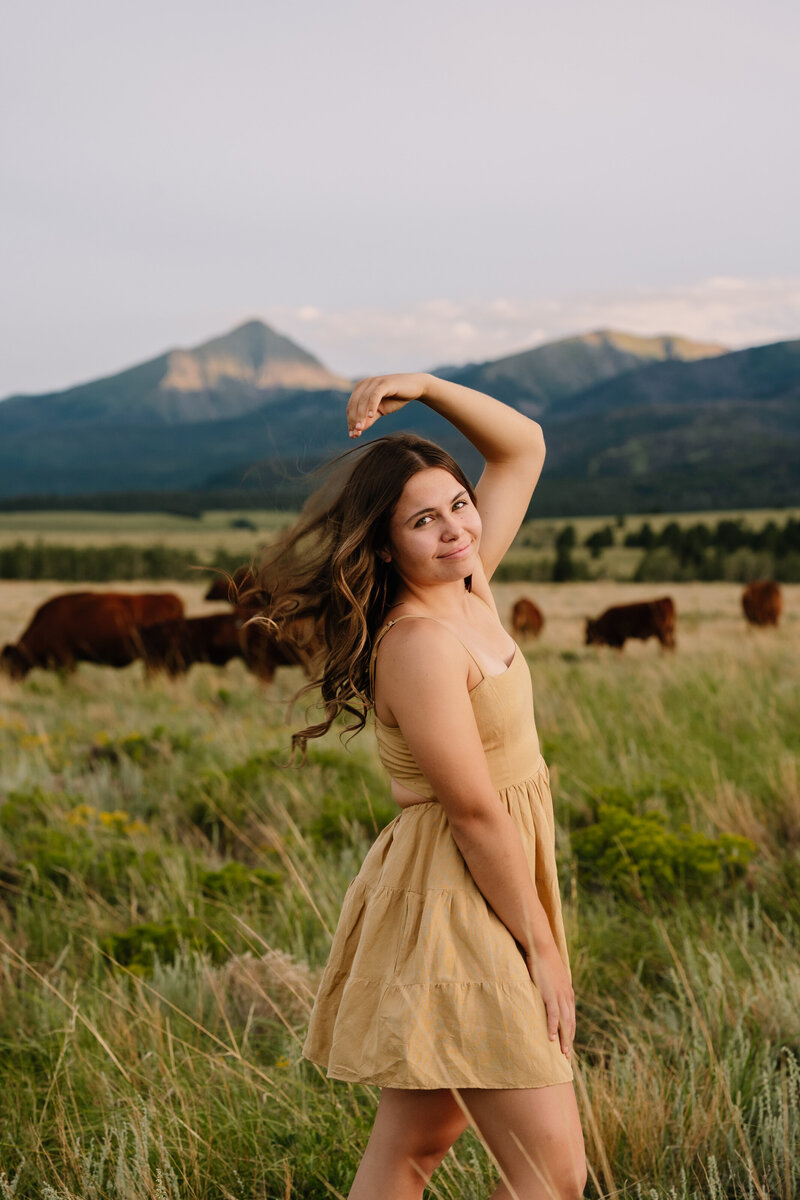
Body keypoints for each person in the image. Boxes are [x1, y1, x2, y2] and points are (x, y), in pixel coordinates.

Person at [261, 373, 587, 1200]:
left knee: (415, 1149)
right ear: (382, 544)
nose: (454, 529)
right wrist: (542, 949)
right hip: (457, 893)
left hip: (489, 878)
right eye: (423, 519)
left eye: (458, 504)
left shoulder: (470, 581)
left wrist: (430, 386)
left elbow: (524, 446)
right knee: (553, 1172)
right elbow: (474, 811)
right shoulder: (417, 642)